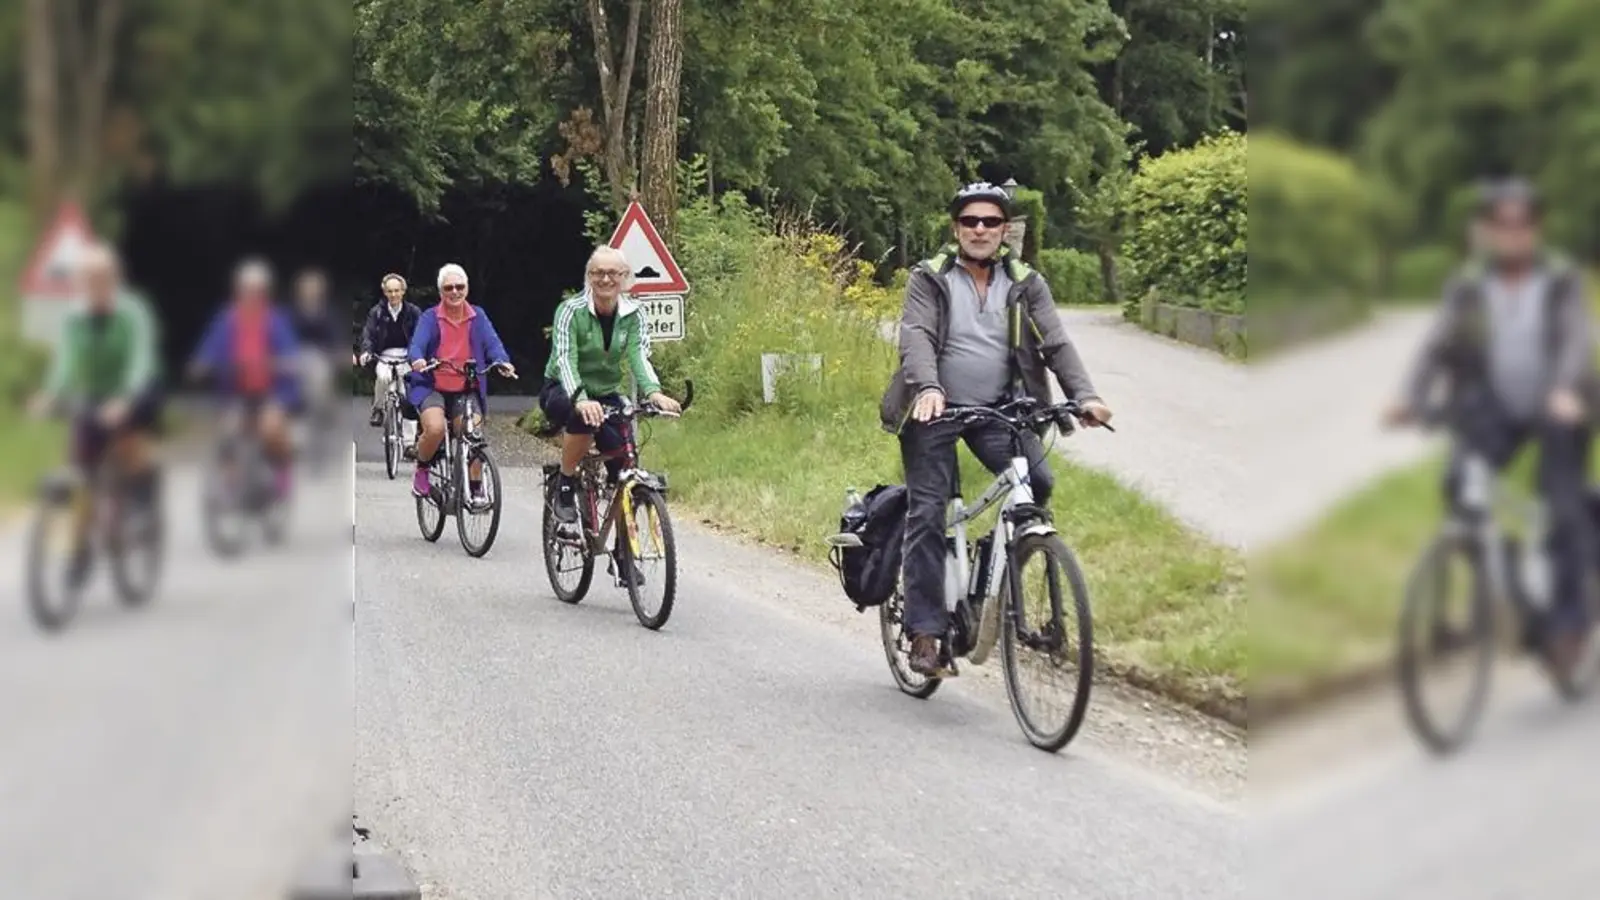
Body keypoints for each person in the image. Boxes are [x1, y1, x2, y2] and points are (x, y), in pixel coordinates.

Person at [881, 182, 1114, 678]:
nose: (980, 230)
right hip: (935, 409)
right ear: (956, 228)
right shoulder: (931, 277)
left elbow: (1056, 341)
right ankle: (924, 633)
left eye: (990, 222)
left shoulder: (1026, 281)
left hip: (999, 409)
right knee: (929, 510)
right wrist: (927, 387)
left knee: (1039, 484)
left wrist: (1086, 395)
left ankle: (995, 568)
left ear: (1006, 231)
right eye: (970, 222)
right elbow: (916, 335)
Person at [1384, 177, 1600, 678]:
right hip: (1498, 408)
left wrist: (1567, 390)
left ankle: (1570, 623)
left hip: (1558, 406)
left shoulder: (1561, 281)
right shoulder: (1469, 287)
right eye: (1500, 225)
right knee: (1460, 485)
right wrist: (1410, 399)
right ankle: (1490, 591)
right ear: (1484, 231)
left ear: (1536, 229)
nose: (1512, 234)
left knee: (1561, 504)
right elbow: (1436, 346)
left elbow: (1573, 342)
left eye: (1522, 224)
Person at [28, 241, 165, 585]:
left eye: (99, 278)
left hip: (138, 386)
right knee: (76, 471)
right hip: (94, 392)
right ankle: (74, 551)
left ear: (114, 278)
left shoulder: (134, 310)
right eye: (85, 279)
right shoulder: (74, 315)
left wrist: (125, 399)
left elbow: (141, 358)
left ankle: (142, 501)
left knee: (130, 442)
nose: (92, 285)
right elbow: (65, 361)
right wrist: (49, 394)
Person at [541, 245, 682, 529]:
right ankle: (566, 483)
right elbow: (566, 360)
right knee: (582, 416)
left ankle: (623, 556)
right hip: (563, 388)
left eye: (612, 273)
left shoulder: (634, 313)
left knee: (623, 467)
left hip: (605, 393)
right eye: (598, 273)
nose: (605, 280)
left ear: (625, 277)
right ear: (589, 277)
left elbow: (638, 356)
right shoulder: (571, 311)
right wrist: (580, 399)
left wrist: (653, 392)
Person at [188, 258, 303, 499]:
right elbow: (211, 346)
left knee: (271, 428)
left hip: (272, 391)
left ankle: (281, 471)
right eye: (245, 289)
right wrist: (201, 363)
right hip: (236, 391)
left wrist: (285, 363)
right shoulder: (227, 318)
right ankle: (231, 479)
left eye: (255, 290)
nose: (250, 294)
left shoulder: (276, 319)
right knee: (228, 430)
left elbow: (290, 352)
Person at [405, 263, 517, 500]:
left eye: (460, 287)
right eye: (449, 288)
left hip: (467, 386)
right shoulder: (430, 317)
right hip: (432, 385)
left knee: (472, 433)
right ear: (441, 292)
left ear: (467, 288)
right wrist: (417, 359)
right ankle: (422, 469)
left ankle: (475, 486)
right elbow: (417, 344)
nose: (455, 292)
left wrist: (502, 362)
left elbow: (493, 343)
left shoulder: (478, 316)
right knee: (435, 429)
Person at [357, 273, 422, 431]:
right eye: (390, 291)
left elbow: (421, 335)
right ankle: (378, 409)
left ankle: (411, 437)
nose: (393, 295)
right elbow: (368, 333)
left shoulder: (413, 312)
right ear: (385, 293)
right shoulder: (377, 312)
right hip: (384, 355)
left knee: (407, 391)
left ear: (403, 291)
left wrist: (419, 355)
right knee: (383, 377)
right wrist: (366, 352)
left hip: (407, 356)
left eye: (397, 291)